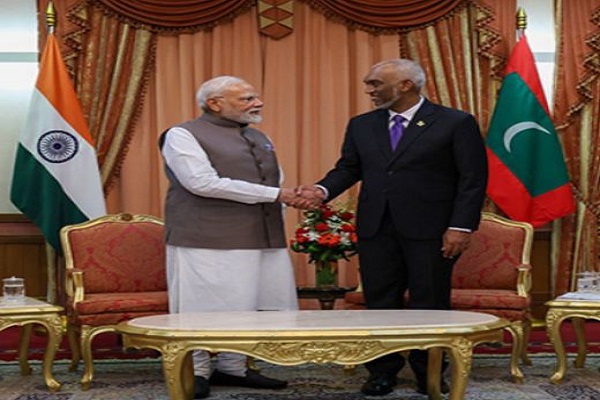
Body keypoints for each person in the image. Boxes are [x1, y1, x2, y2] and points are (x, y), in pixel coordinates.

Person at [297, 59, 488, 396]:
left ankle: (429, 372)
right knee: (380, 302)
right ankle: (382, 371)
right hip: (377, 227)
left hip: (431, 229)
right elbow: (348, 168)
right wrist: (321, 190)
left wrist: (461, 226)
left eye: (375, 83)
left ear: (405, 85)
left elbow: (472, 179)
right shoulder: (362, 124)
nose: (369, 90)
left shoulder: (455, 122)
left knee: (430, 301)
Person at [159, 75, 301, 399]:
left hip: (261, 236)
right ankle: (196, 370)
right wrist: (278, 195)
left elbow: (276, 181)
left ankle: (233, 368)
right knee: (199, 306)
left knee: (248, 304)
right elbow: (201, 183)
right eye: (247, 99)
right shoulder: (182, 134)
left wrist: (286, 198)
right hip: (205, 237)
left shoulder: (259, 136)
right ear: (214, 103)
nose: (258, 103)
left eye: (255, 97)